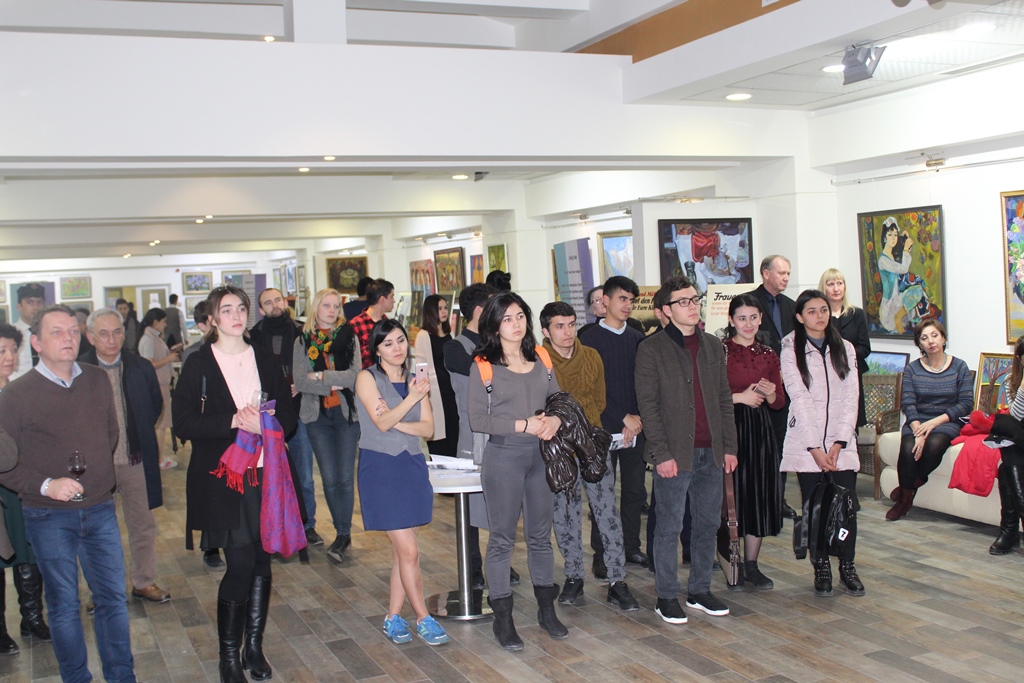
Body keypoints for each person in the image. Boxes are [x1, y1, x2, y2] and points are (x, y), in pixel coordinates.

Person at [0, 305, 136, 682]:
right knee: (63, 606)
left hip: (100, 508)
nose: (68, 338)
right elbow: (5, 463)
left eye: (73, 331)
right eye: (57, 332)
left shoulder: (96, 379)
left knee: (113, 600)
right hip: (47, 515)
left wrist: (98, 479)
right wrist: (48, 484)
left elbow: (110, 434)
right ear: (36, 342)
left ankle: (122, 677)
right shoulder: (16, 395)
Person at [172, 286, 299, 683]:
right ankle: (228, 656)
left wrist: (265, 426)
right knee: (240, 563)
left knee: (261, 561)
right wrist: (232, 421)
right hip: (224, 477)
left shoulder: (264, 357)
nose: (235, 315)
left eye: (241, 308)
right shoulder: (198, 363)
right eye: (226, 310)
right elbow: (183, 423)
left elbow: (288, 415)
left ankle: (253, 648)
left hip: (267, 472)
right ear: (212, 319)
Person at [635, 276, 737, 625]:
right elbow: (648, 406)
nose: (692, 306)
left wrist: (729, 446)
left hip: (712, 450)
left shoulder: (712, 345)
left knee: (707, 524)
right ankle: (666, 595)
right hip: (675, 453)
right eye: (683, 301)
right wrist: (661, 454)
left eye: (695, 299)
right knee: (669, 526)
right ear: (666, 310)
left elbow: (724, 399)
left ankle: (699, 590)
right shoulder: (652, 349)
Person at [468, 291, 566, 651]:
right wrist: (523, 424)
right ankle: (503, 618)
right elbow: (478, 420)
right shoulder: (483, 365)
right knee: (502, 539)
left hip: (541, 457)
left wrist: (555, 420)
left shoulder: (541, 356)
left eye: (520, 316)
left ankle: (546, 610)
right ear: (494, 324)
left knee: (540, 536)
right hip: (504, 458)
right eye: (507, 318)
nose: (516, 324)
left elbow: (558, 401)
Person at [354, 319, 450, 646]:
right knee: (409, 551)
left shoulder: (414, 380)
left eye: (400, 340)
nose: (397, 348)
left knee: (403, 552)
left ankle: (393, 617)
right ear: (377, 350)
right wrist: (410, 401)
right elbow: (380, 423)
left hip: (411, 467)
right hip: (381, 470)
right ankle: (423, 617)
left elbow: (428, 429)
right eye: (388, 343)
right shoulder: (367, 378)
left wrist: (396, 420)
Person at [539, 301, 639, 611]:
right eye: (559, 326)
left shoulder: (592, 356)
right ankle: (574, 577)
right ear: (546, 331)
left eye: (571, 324)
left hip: (593, 444)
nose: (567, 332)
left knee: (607, 511)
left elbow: (599, 400)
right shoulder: (538, 361)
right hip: (559, 450)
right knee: (565, 514)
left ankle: (617, 580)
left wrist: (588, 433)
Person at [81, 308, 171, 605]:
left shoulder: (140, 367)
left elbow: (155, 405)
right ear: (90, 337)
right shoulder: (78, 370)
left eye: (117, 332)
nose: (111, 339)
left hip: (135, 460)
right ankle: (102, 590)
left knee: (143, 525)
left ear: (124, 333)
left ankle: (143, 581)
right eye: (103, 334)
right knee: (98, 531)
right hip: (97, 466)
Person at [779, 289, 864, 597]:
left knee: (846, 507)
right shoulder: (790, 348)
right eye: (812, 311)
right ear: (800, 317)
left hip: (841, 444)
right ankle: (821, 566)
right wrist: (815, 448)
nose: (819, 316)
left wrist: (839, 442)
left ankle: (847, 565)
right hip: (807, 443)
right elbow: (799, 398)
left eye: (824, 310)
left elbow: (851, 396)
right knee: (815, 508)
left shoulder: (846, 347)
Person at [442, 283, 512, 590]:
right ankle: (473, 568)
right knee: (469, 508)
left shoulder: (500, 343)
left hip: (505, 435)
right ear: (481, 311)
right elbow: (487, 375)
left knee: (503, 505)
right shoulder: (455, 348)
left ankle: (501, 562)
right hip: (471, 437)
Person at [580, 276, 649, 573]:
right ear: (605, 301)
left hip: (636, 428)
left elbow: (645, 384)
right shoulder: (589, 339)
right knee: (602, 494)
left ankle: (630, 547)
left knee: (634, 492)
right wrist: (623, 417)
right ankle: (602, 553)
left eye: (631, 300)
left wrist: (637, 419)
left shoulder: (637, 338)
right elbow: (589, 388)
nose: (628, 305)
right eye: (622, 299)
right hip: (602, 428)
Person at [293, 288, 361, 565]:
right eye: (326, 305)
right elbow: (300, 381)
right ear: (316, 308)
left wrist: (320, 375)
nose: (332, 311)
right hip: (317, 418)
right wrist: (333, 382)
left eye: (336, 306)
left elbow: (355, 376)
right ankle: (340, 529)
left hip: (345, 416)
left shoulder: (348, 337)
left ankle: (343, 534)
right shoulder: (303, 340)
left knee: (345, 478)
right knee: (329, 479)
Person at [722, 294, 786, 590]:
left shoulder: (769, 354)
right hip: (728, 427)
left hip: (760, 431)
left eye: (753, 317)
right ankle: (729, 559)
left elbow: (779, 402)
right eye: (741, 318)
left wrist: (770, 394)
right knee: (731, 496)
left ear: (760, 318)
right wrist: (740, 397)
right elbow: (707, 395)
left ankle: (752, 564)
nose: (747, 324)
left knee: (758, 494)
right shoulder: (720, 351)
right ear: (731, 320)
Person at [250, 288, 321, 548]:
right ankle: (271, 526)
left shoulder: (303, 332)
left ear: (285, 301)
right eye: (268, 303)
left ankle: (307, 525)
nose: (275, 305)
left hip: (299, 410)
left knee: (304, 475)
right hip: (267, 414)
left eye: (277, 300)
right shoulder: (253, 337)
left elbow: (317, 367)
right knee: (267, 474)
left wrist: (300, 384)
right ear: (261, 310)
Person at [887, 320, 972, 521]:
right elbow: (908, 402)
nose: (931, 341)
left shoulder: (959, 366)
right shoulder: (913, 369)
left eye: (935, 335)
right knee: (908, 448)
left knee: (934, 445)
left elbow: (966, 403)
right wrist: (918, 429)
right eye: (924, 338)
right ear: (919, 344)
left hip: (947, 420)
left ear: (943, 338)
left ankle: (907, 490)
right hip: (918, 419)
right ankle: (906, 498)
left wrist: (934, 423)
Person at [0, 324, 51, 655]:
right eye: (1, 351)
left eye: (12, 350)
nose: (9, 357)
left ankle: (32, 617)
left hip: (19, 483)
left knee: (27, 551)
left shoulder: (19, 392)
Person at [753, 255, 797, 519]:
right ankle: (757, 500)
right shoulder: (749, 302)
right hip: (757, 387)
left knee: (781, 445)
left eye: (788, 273)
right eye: (781, 273)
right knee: (758, 448)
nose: (786, 278)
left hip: (785, 387)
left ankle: (778, 500)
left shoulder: (791, 306)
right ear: (766, 273)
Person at [819, 268, 871, 427]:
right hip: (825, 376)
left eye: (839, 283)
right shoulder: (819, 316)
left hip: (851, 374)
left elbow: (865, 348)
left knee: (851, 424)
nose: (836, 288)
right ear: (823, 288)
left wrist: (844, 355)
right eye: (831, 284)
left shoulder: (857, 314)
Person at [414, 294, 459, 456]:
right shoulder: (423, 335)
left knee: (453, 434)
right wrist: (424, 396)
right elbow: (421, 368)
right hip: (435, 392)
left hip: (451, 390)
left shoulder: (449, 333)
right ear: (431, 311)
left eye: (445, 308)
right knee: (438, 438)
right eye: (439, 308)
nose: (444, 311)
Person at [992, 335, 1024, 554]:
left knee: (1006, 468)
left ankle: (1009, 530)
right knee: (1007, 426)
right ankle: (1009, 530)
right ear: (1021, 359)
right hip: (1020, 435)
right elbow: (1016, 416)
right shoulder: (1012, 380)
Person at [138, 307, 181, 470]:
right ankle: (159, 459)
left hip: (161, 384)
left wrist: (170, 352)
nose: (165, 325)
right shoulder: (148, 339)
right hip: (156, 385)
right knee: (160, 425)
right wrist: (169, 358)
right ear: (155, 322)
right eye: (163, 322)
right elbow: (149, 364)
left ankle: (160, 456)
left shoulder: (154, 337)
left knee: (162, 424)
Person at [877, 218, 926, 334]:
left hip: (897, 301)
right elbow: (903, 269)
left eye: (895, 235)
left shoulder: (892, 256)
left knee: (918, 290)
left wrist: (904, 240)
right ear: (884, 237)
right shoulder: (883, 260)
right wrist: (905, 249)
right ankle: (898, 318)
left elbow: (903, 260)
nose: (894, 238)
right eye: (890, 235)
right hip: (889, 309)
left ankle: (900, 317)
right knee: (917, 291)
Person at [349, 279, 395, 369]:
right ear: (382, 299)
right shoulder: (355, 325)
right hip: (365, 375)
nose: (394, 301)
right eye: (391, 297)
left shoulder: (388, 323)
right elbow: (352, 359)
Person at [10, 283, 45, 380]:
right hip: (16, 384)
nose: (36, 307)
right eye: (30, 302)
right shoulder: (10, 334)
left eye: (39, 302)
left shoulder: (48, 333)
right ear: (19, 306)